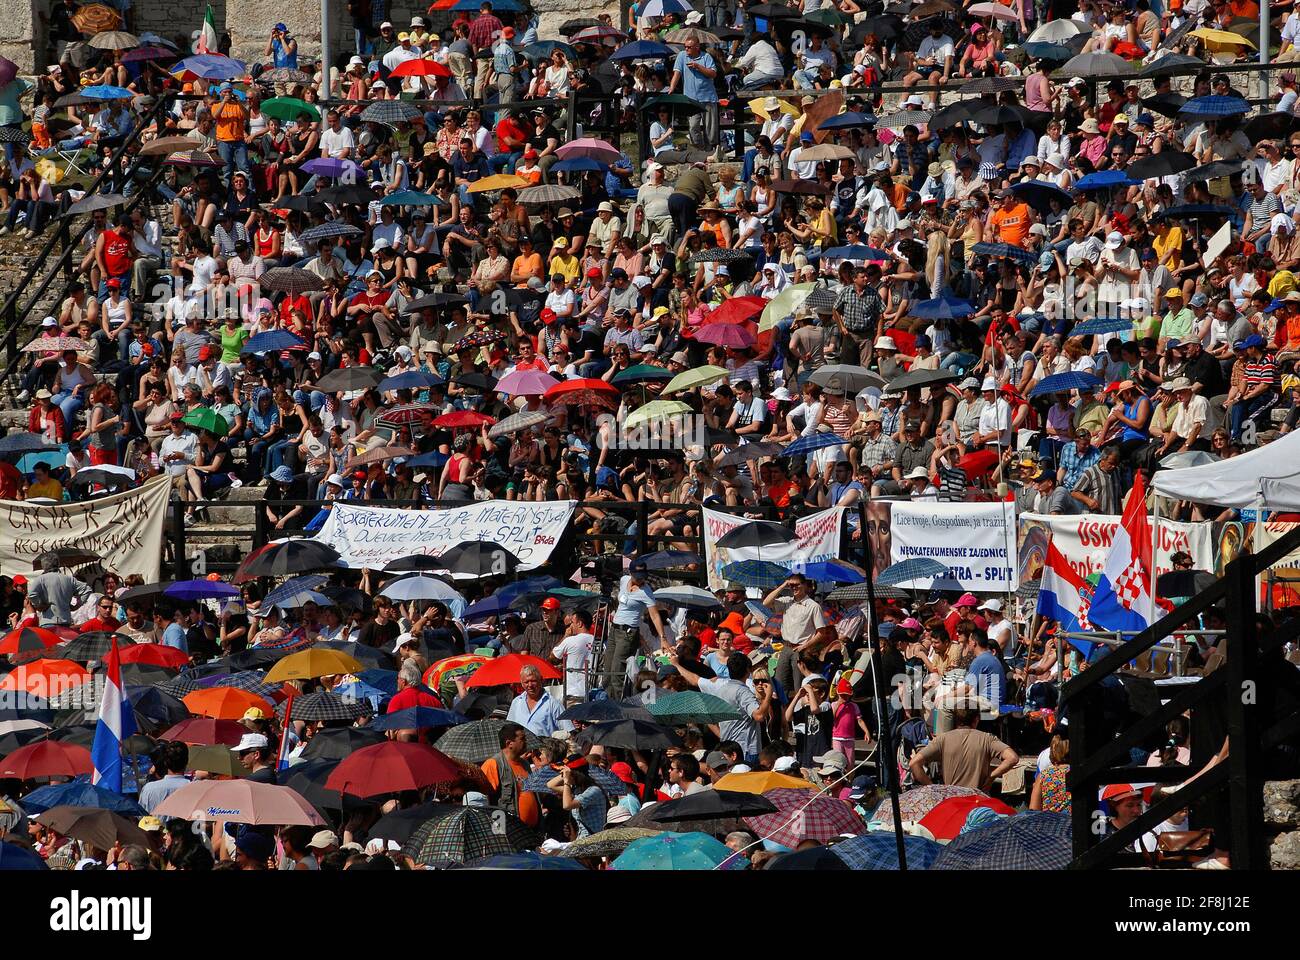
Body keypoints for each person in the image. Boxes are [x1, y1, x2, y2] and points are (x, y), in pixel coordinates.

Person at [909, 705, 1020, 792]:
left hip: (952, 800)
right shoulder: (987, 739)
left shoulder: (942, 739)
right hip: (978, 800)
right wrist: (991, 776)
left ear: (956, 719)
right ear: (976, 719)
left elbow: (914, 763)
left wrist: (932, 788)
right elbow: (1013, 758)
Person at [480, 721, 540, 828]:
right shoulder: (493, 764)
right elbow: (484, 800)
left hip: (531, 832)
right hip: (509, 830)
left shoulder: (525, 764)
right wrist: (498, 831)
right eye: (522, 739)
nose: (526, 742)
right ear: (509, 744)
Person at [505, 664, 565, 737]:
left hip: (545, 747)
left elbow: (567, 731)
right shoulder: (516, 702)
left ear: (541, 680)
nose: (530, 685)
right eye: (526, 682)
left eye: (533, 681)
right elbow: (510, 728)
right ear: (522, 684)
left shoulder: (553, 704)